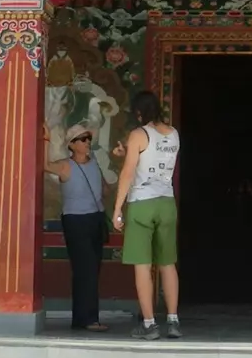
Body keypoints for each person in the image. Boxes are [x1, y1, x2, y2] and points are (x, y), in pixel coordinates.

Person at [110, 89, 181, 340]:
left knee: (143, 265)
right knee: (167, 263)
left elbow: (130, 173)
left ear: (139, 112)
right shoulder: (173, 134)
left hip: (142, 202)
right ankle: (173, 320)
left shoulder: (139, 135)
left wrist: (118, 208)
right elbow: (155, 165)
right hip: (167, 202)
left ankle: (150, 324)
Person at [44, 125, 109, 332]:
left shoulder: (94, 163)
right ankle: (89, 319)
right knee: (85, 268)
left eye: (88, 138)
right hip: (75, 220)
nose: (87, 142)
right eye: (82, 139)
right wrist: (47, 139)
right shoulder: (66, 166)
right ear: (72, 145)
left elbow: (103, 188)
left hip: (95, 218)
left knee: (93, 269)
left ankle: (82, 318)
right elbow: (43, 164)